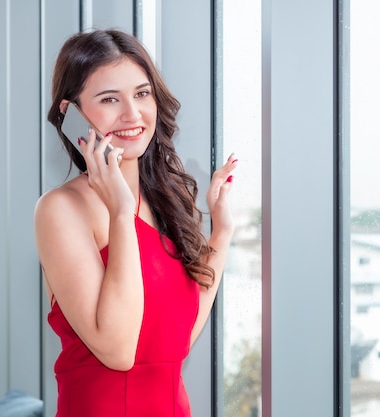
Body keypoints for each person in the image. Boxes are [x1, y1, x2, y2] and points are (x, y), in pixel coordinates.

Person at [34, 29, 237, 417]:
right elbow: (119, 350)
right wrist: (121, 214)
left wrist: (222, 234)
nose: (132, 114)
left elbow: (176, 341)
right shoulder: (61, 209)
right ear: (71, 113)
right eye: (110, 99)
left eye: (142, 94)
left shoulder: (162, 202)